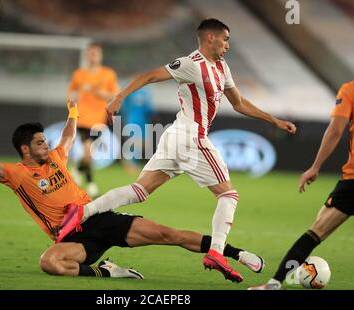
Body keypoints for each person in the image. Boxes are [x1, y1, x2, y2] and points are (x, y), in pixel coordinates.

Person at [66, 18, 297, 283]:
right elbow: (149, 75)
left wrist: (274, 120)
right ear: (210, 38)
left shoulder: (222, 67)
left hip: (176, 136)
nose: (228, 45)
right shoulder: (191, 64)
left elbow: (239, 103)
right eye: (225, 39)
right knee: (229, 195)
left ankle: (83, 213)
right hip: (191, 136)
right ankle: (216, 252)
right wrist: (119, 97)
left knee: (140, 190)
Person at [0, 101, 264, 279]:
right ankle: (105, 270)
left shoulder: (57, 157)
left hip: (100, 218)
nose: (46, 145)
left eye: (44, 140)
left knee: (168, 234)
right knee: (49, 263)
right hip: (72, 239)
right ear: (24, 150)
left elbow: (66, 138)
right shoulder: (16, 175)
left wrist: (73, 114)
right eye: (38, 143)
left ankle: (235, 254)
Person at [249, 41, 354, 290]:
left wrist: (315, 166)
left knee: (316, 231)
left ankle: (273, 284)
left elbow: (336, 130)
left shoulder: (351, 90)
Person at [67, 42, 120, 197]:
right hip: (82, 117)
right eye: (90, 53)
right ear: (86, 56)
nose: (93, 56)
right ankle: (91, 184)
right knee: (87, 152)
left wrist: (99, 93)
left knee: (88, 153)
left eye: (96, 53)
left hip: (99, 119)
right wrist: (74, 99)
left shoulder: (108, 74)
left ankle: (76, 169)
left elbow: (114, 94)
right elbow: (70, 93)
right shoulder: (79, 74)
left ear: (100, 56)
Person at [119, 85, 155, 174]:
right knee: (135, 142)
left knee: (144, 143)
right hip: (132, 120)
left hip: (142, 120)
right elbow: (123, 106)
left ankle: (127, 158)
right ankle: (132, 164)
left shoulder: (146, 91)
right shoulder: (130, 91)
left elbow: (149, 108)